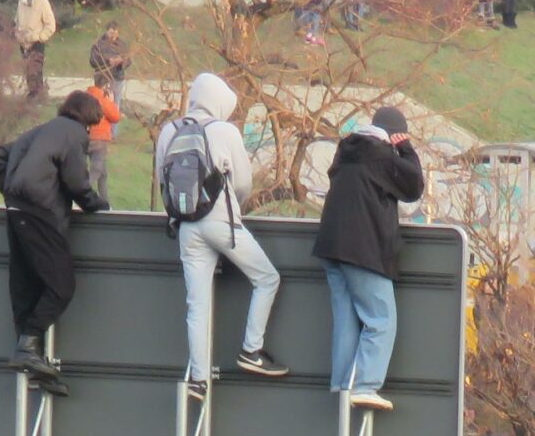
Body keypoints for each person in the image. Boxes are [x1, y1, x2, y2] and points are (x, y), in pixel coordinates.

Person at [158, 72, 287, 395]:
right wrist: (233, 209)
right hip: (221, 223)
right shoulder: (224, 130)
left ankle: (199, 379)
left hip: (185, 226)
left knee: (197, 305)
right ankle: (251, 350)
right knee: (267, 278)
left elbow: (162, 179)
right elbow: (242, 183)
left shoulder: (169, 131)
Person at [0, 91, 112, 393]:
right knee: (61, 285)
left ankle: (32, 360)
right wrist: (97, 204)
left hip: (17, 211)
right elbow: (77, 182)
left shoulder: (41, 131)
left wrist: (12, 191)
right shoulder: (73, 134)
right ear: (87, 119)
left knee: (26, 285)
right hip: (40, 214)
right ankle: (28, 347)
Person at [312, 104, 426, 411]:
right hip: (363, 249)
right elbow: (414, 186)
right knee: (381, 320)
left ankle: (342, 385)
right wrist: (406, 148)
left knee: (347, 319)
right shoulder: (382, 155)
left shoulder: (347, 151)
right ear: (395, 135)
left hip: (331, 247)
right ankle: (365, 385)